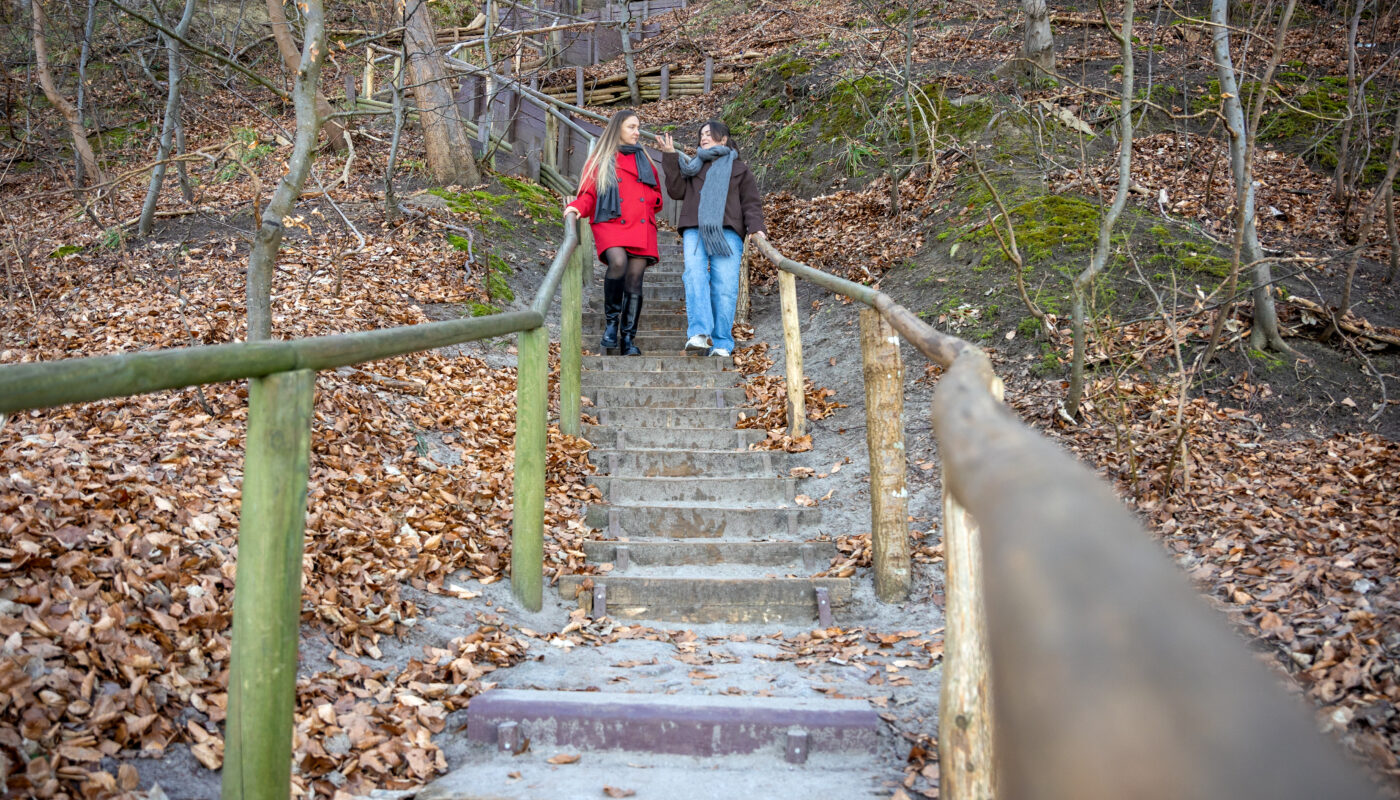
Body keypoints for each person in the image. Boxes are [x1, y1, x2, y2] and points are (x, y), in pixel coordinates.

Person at [658, 119, 766, 358]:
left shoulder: (739, 168)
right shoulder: (692, 166)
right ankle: (699, 334)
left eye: (709, 134)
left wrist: (756, 228)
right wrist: (669, 157)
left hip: (727, 231)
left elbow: (750, 202)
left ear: (724, 138)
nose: (703, 138)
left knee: (725, 288)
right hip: (695, 229)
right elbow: (675, 191)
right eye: (701, 134)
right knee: (694, 275)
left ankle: (721, 343)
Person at [564, 109, 663, 356]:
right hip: (611, 221)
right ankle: (611, 325)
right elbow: (589, 195)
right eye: (632, 126)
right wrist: (575, 207)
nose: (637, 132)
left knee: (634, 278)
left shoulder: (645, 159)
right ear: (617, 128)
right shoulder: (599, 159)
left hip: (641, 225)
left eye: (638, 127)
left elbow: (657, 193)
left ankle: (628, 338)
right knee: (618, 262)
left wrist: (650, 200)